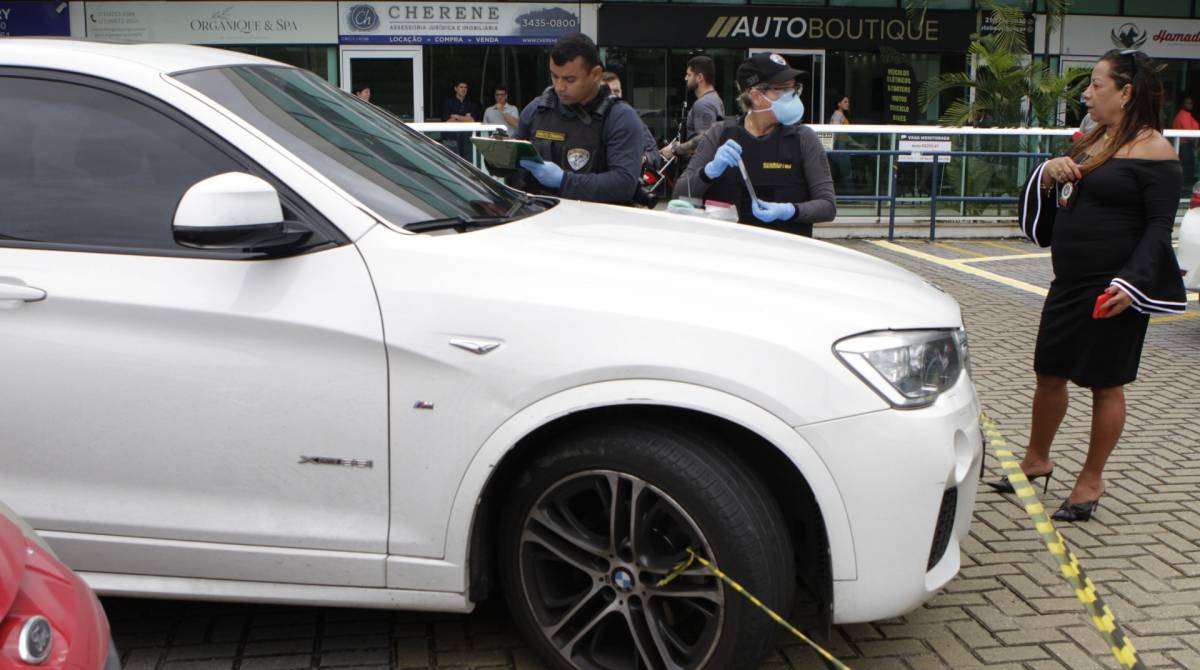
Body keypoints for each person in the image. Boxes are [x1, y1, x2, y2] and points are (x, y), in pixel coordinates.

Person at [996, 49, 1185, 522]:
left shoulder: (1156, 151)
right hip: (1069, 282)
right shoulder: (1093, 139)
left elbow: (1159, 230)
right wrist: (1049, 171)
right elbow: (1057, 194)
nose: (1086, 93)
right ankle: (1036, 460)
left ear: (1126, 92)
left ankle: (1091, 480)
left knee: (1105, 384)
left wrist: (1131, 283)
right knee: (1049, 373)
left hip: (1113, 290)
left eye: (1096, 85)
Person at [672, 52, 835, 237]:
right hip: (730, 248)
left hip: (786, 250)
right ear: (756, 96)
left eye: (794, 89)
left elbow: (828, 206)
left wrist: (790, 210)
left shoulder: (804, 138)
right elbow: (679, 195)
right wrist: (708, 172)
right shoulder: (719, 134)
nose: (791, 96)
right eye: (782, 90)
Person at [510, 33, 643, 205]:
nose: (559, 87)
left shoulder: (620, 117)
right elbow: (510, 166)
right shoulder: (537, 109)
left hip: (592, 219)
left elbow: (623, 185)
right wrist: (497, 158)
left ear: (595, 74)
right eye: (554, 76)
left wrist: (564, 181)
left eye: (569, 79)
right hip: (538, 215)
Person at [660, 55, 725, 162]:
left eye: (689, 74)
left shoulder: (703, 104)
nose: (686, 78)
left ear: (699, 77)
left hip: (699, 167)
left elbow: (704, 139)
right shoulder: (715, 99)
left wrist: (675, 149)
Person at [600, 71, 663, 173]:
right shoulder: (587, 122)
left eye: (616, 91)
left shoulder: (632, 120)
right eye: (607, 93)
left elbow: (655, 156)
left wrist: (642, 159)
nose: (613, 97)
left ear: (621, 92)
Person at [827, 94, 853, 189]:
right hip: (839, 147)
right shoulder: (838, 115)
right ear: (839, 104)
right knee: (846, 172)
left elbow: (845, 135)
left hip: (841, 146)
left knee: (844, 172)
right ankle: (850, 194)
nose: (847, 104)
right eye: (845, 102)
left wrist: (859, 145)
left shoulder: (840, 114)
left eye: (848, 102)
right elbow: (835, 132)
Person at [1173, 94, 1197, 192]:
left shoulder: (1182, 115)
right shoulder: (1184, 115)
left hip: (1183, 145)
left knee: (1185, 168)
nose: (1190, 105)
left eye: (1191, 103)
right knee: (1186, 169)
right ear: (1182, 104)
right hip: (1185, 145)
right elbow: (1189, 134)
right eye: (1187, 103)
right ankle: (1184, 191)